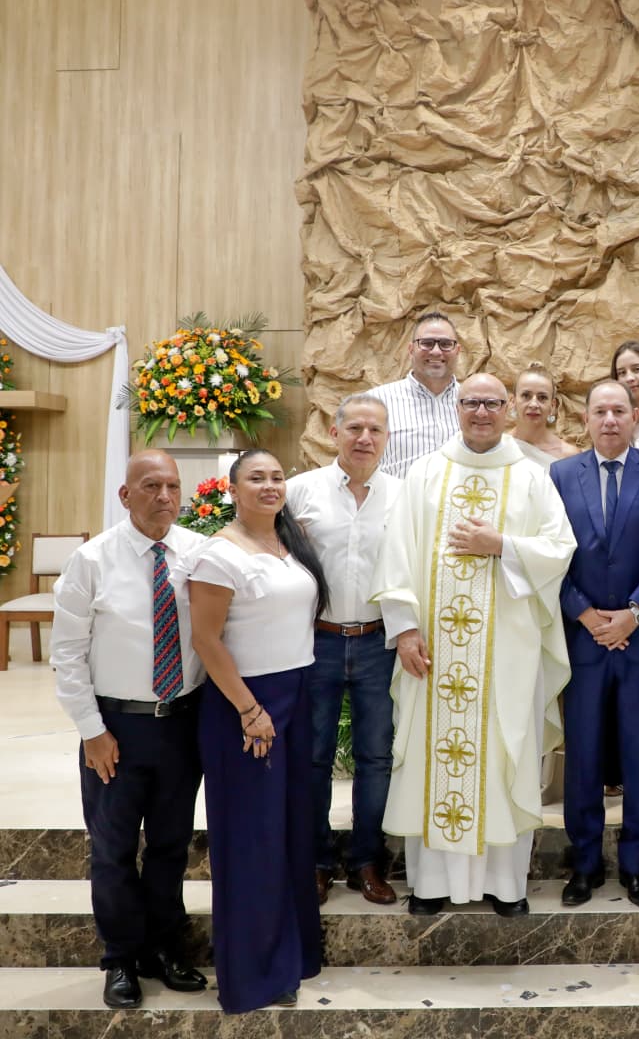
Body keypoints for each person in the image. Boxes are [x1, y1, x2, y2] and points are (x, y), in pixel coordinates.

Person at [372, 373, 576, 917]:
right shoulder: (425, 472)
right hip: (433, 653)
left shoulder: (531, 477)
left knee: (503, 752)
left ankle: (506, 885)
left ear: (507, 409)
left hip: (507, 652)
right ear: (457, 408)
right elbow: (396, 554)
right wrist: (404, 630)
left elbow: (560, 548)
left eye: (491, 403)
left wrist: (500, 544)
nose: (481, 412)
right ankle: (430, 884)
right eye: (471, 403)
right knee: (431, 756)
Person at [52, 450, 208, 1010]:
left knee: (170, 845)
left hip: (181, 724)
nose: (164, 496)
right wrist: (92, 730)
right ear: (125, 495)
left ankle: (162, 948)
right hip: (115, 728)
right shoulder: (92, 560)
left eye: (172, 486)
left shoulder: (200, 553)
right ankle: (120, 957)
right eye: (150, 486)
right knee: (113, 848)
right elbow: (68, 655)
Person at [189, 449, 330, 1013]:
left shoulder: (288, 543)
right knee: (254, 840)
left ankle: (293, 954)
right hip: (246, 705)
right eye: (256, 478)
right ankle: (255, 973)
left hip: (295, 694)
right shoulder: (218, 554)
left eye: (276, 477)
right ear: (233, 488)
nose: (270, 486)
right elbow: (206, 640)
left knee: (291, 830)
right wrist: (250, 710)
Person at [551, 380, 639, 909]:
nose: (609, 419)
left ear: (634, 418)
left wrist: (634, 613)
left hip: (638, 638)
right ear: (585, 419)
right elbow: (550, 554)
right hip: (583, 639)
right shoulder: (561, 475)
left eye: (619, 411)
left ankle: (635, 862)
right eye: (600, 411)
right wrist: (584, 614)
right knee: (583, 754)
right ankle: (584, 863)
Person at [286, 393, 401, 907]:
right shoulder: (299, 492)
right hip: (318, 641)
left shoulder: (402, 496)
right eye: (354, 428)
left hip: (379, 641)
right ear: (334, 433)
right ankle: (316, 862)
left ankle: (366, 861)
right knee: (313, 757)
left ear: (387, 438)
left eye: (375, 430)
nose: (364, 438)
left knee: (376, 756)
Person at [365, 310, 461, 478]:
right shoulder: (376, 402)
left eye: (446, 344)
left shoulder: (475, 405)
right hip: (397, 495)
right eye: (427, 343)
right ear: (411, 350)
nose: (436, 351)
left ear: (457, 350)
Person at [510, 362, 580, 469]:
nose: (534, 404)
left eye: (542, 397)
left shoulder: (569, 456)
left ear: (552, 406)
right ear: (513, 402)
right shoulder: (498, 447)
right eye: (526, 395)